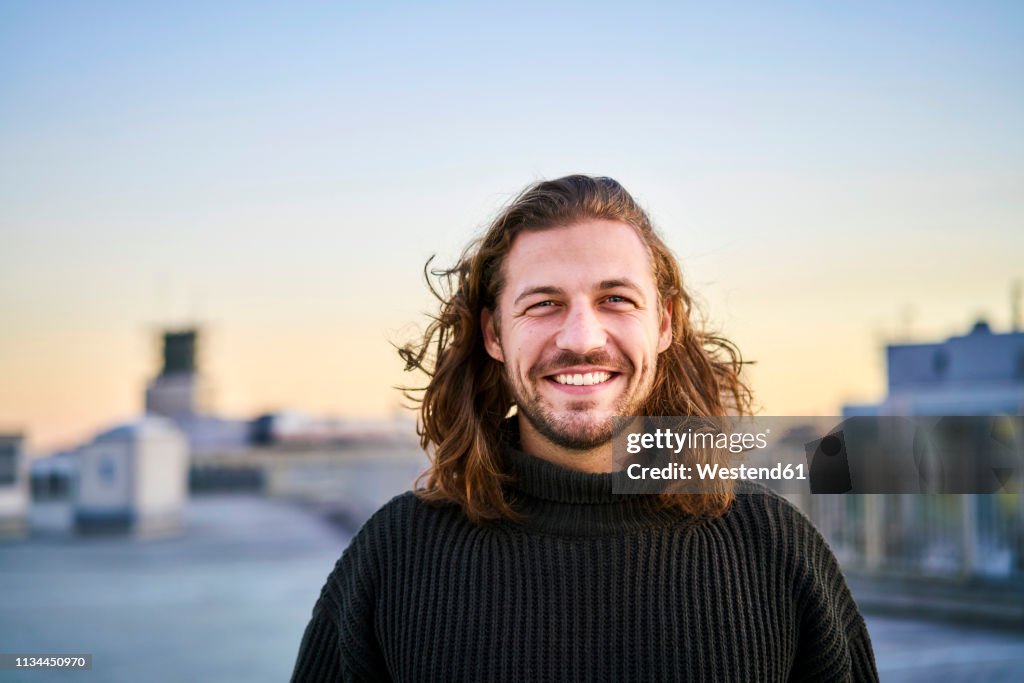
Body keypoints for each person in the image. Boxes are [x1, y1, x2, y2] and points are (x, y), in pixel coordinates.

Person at [291, 175, 879, 682]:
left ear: (664, 325)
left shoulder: (774, 548)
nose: (580, 339)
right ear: (494, 334)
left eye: (616, 299)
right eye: (543, 304)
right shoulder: (395, 554)